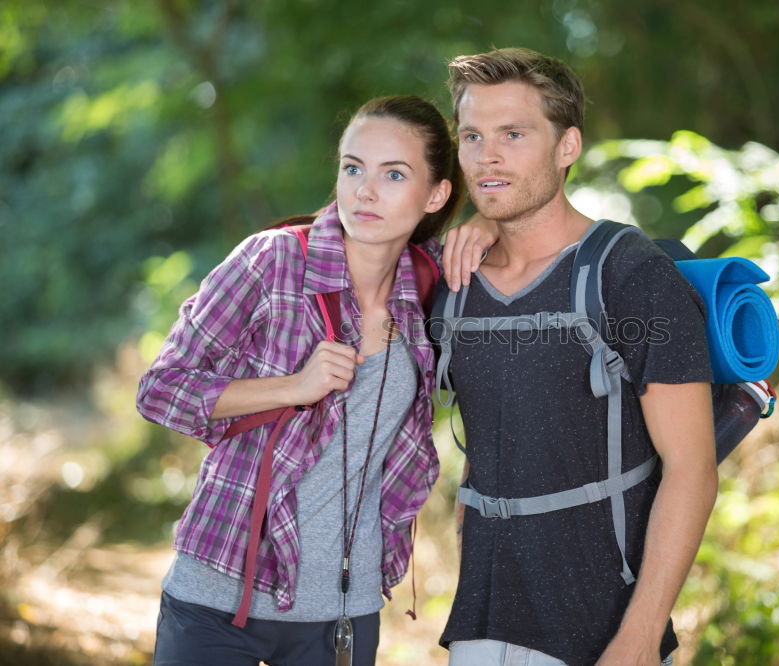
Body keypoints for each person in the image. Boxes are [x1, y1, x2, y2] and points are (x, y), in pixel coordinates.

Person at [136, 94, 494, 666]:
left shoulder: (427, 290)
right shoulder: (274, 261)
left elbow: (526, 241)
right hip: (220, 599)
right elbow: (159, 388)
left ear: (436, 194)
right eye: (352, 167)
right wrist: (291, 387)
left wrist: (488, 222)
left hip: (341, 616)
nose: (364, 191)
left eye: (393, 174)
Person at [437, 48, 718, 666]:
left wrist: (642, 636)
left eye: (514, 134)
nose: (488, 155)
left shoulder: (630, 274)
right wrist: (478, 223)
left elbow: (693, 468)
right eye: (473, 136)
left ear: (567, 147)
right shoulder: (452, 280)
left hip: (606, 631)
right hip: (480, 628)